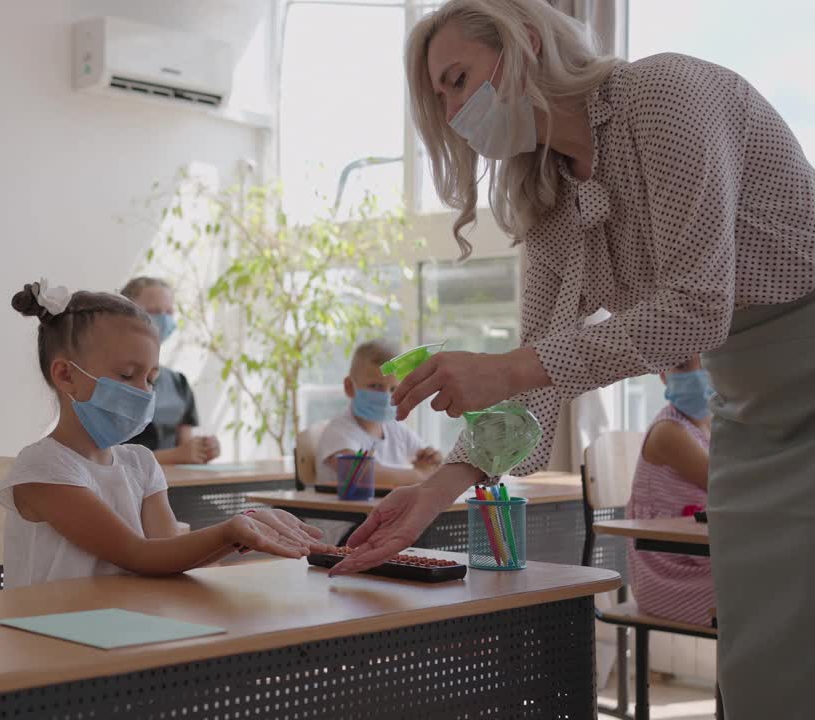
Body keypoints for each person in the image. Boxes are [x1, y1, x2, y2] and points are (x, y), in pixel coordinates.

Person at [331, 2, 815, 713]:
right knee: (762, 667)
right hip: (751, 408)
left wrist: (506, 368)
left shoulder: (665, 94)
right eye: (442, 99)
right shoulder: (550, 194)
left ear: (526, 42)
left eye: (460, 78)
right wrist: (436, 493)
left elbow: (695, 305)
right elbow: (536, 380)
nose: (458, 108)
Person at [0, 281, 330, 587]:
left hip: (121, 629)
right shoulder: (43, 467)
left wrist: (244, 526)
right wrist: (231, 531)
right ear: (66, 376)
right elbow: (138, 554)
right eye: (127, 375)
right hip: (50, 639)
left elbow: (170, 555)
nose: (143, 392)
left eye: (150, 379)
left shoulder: (140, 464)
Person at [627, 356, 714, 626]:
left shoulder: (712, 426)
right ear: (663, 373)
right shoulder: (669, 431)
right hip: (668, 572)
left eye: (706, 364)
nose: (697, 375)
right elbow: (728, 486)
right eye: (683, 365)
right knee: (779, 590)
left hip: (699, 555)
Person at [315, 339, 443, 491]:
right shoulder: (337, 432)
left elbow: (430, 463)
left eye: (394, 389)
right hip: (347, 514)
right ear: (350, 387)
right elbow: (362, 475)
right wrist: (420, 475)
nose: (385, 396)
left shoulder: (396, 430)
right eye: (375, 386)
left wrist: (433, 459)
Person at [118, 277, 221, 465]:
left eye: (169, 312)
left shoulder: (179, 384)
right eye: (154, 312)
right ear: (125, 315)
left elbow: (187, 449)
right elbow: (99, 458)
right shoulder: (105, 380)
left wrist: (204, 449)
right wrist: (173, 456)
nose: (164, 319)